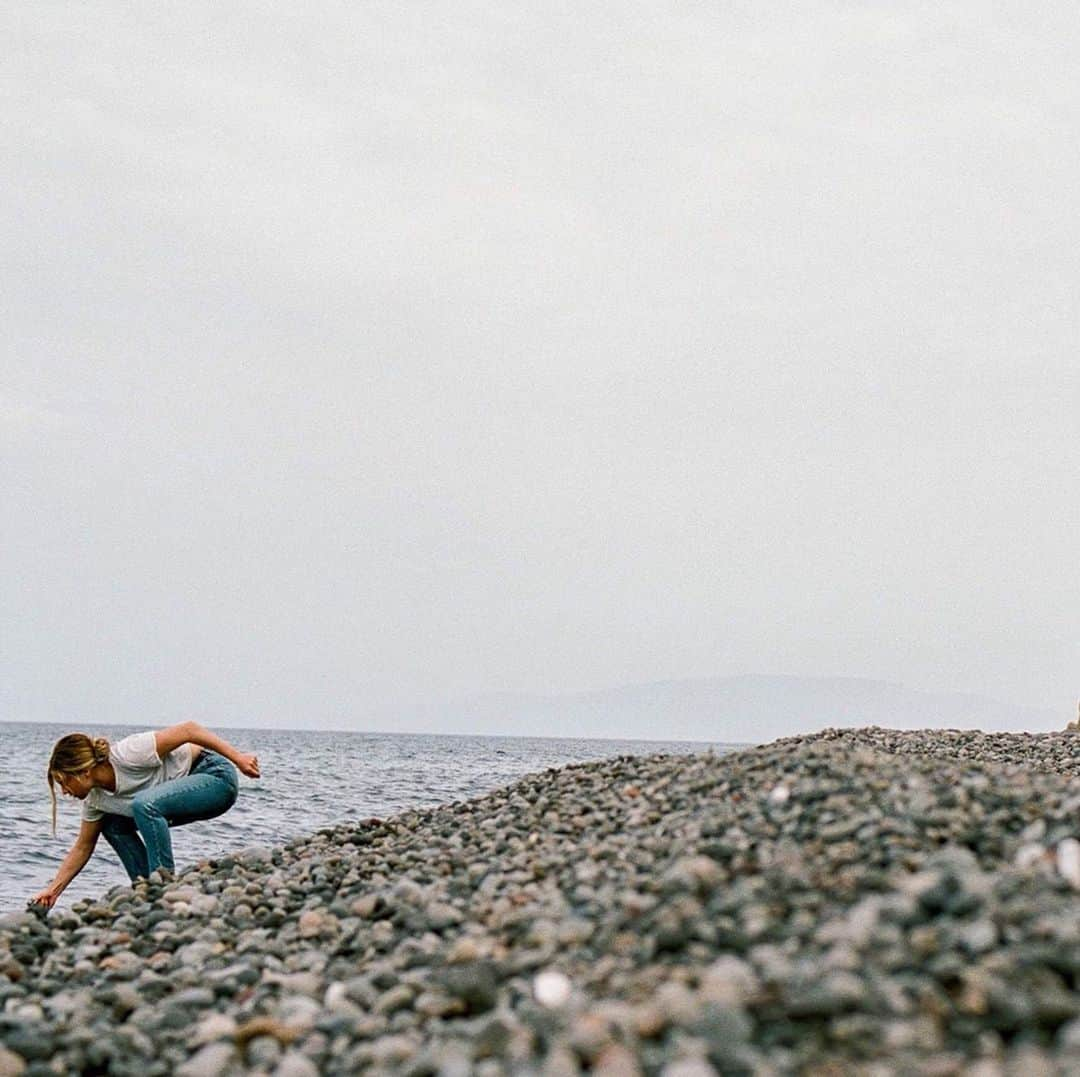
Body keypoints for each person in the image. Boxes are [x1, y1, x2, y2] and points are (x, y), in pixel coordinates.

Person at [31, 721, 260, 909]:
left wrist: (238, 758)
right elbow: (83, 846)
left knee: (144, 804)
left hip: (215, 778)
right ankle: (145, 887)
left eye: (64, 782)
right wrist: (53, 891)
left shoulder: (128, 754)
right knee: (111, 825)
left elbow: (189, 730)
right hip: (176, 801)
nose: (64, 792)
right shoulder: (96, 800)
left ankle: (163, 884)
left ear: (84, 772)